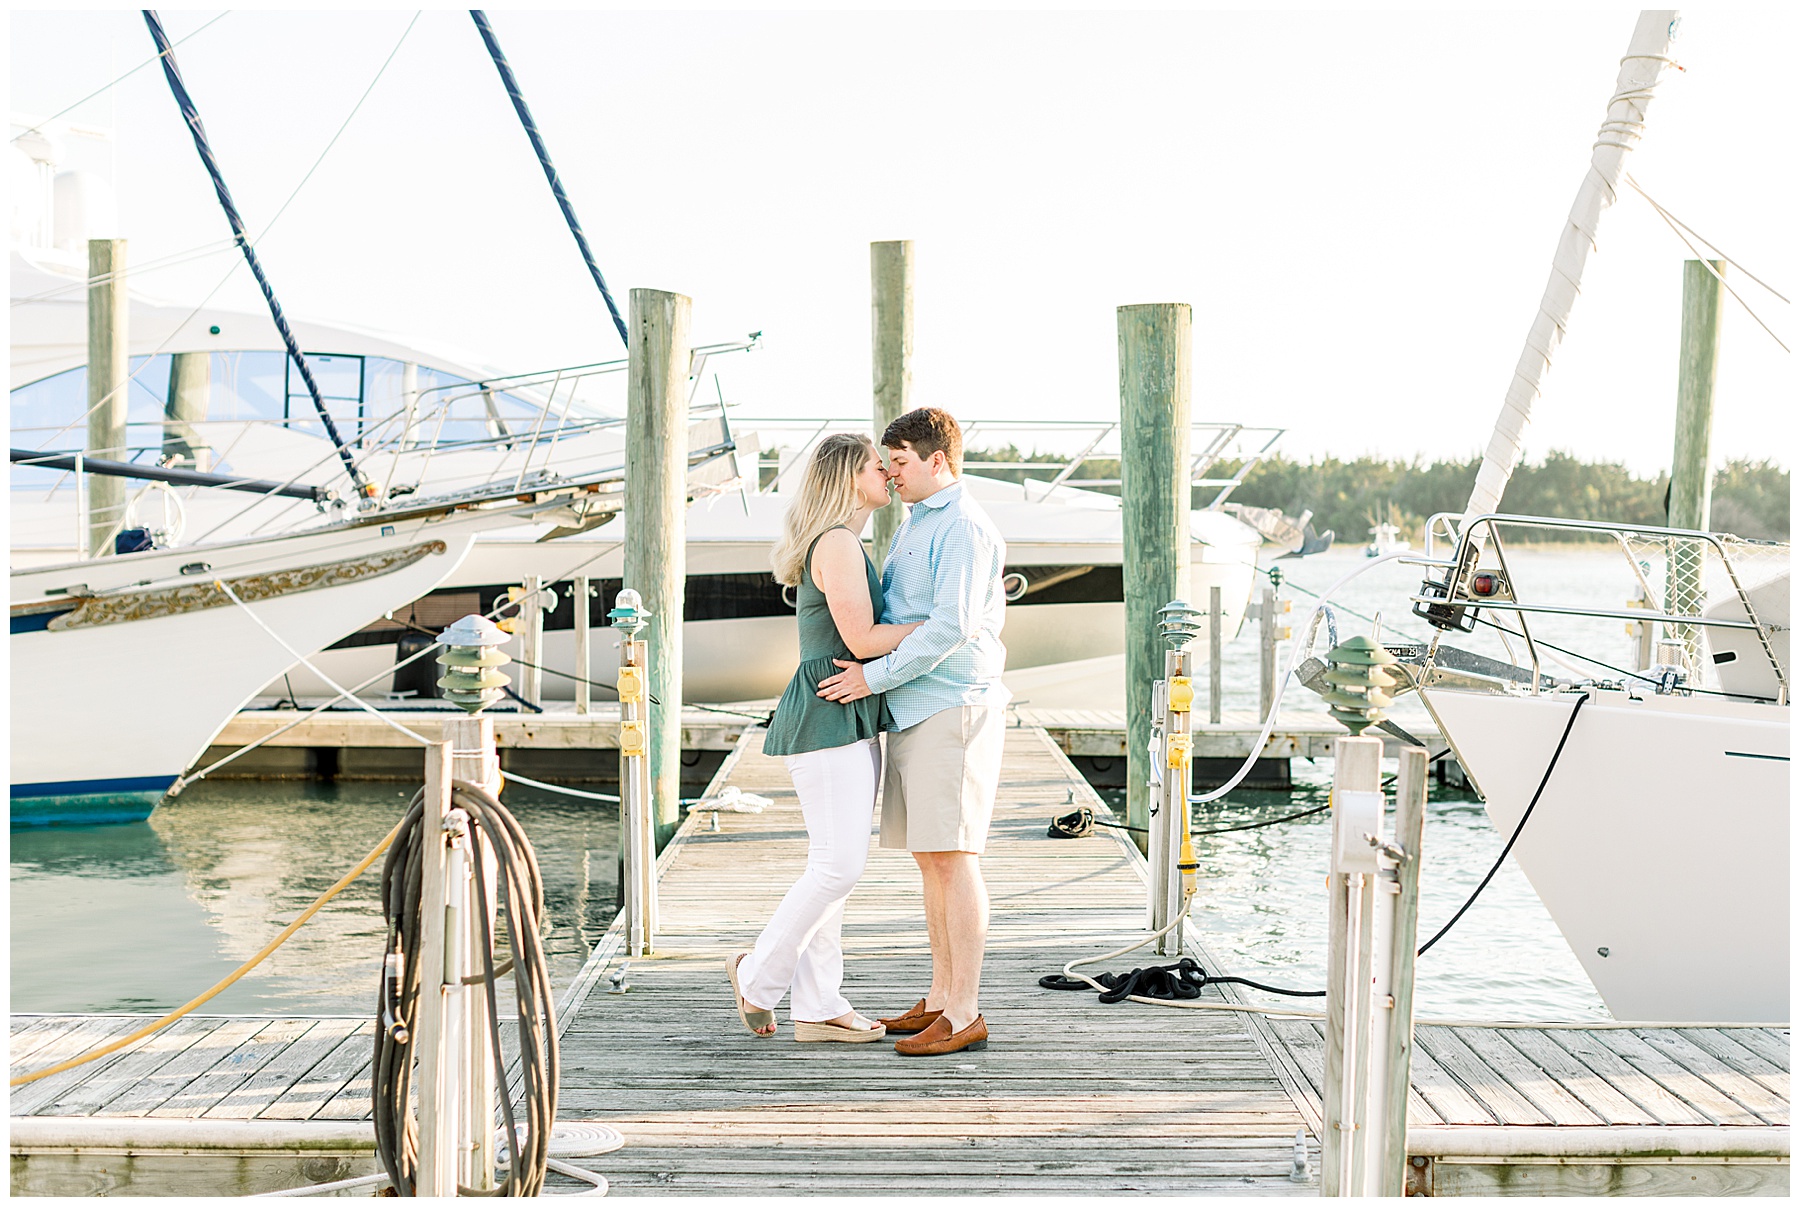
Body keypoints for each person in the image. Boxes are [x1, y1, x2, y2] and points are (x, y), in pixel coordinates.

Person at [816, 407, 1009, 1057]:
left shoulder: (963, 527)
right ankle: (938, 996)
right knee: (931, 858)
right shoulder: (917, 523)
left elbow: (951, 626)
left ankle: (965, 1009)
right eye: (887, 462)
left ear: (938, 460)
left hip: (952, 705)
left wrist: (874, 676)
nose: (891, 473)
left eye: (900, 461)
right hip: (916, 707)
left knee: (954, 858)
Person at [727, 432, 922, 1043]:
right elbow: (862, 642)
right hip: (828, 706)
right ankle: (757, 977)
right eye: (875, 466)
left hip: (847, 707)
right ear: (847, 479)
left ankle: (817, 1005)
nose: (889, 473)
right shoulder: (837, 542)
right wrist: (944, 624)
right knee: (838, 866)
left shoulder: (846, 540)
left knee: (831, 860)